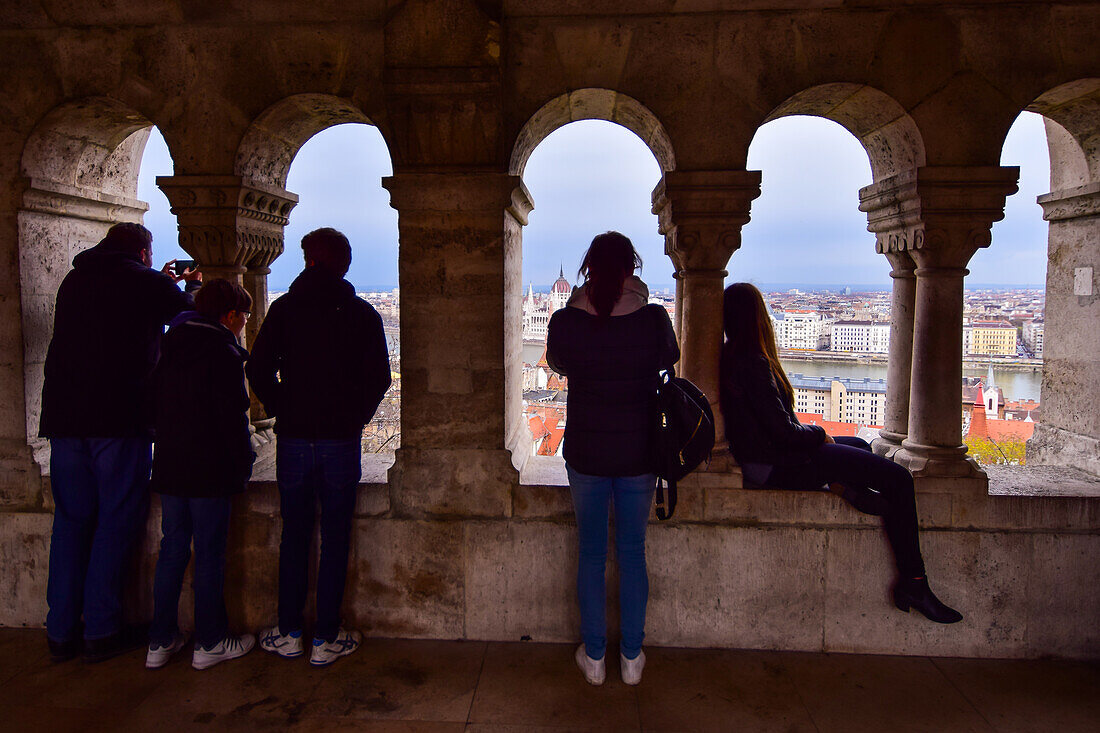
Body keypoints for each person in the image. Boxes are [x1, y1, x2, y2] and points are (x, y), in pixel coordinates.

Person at [719, 282, 961, 624]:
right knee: (899, 478)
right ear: (757, 318)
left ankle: (845, 488)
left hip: (769, 459)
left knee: (861, 446)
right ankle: (914, 582)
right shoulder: (753, 362)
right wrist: (821, 434)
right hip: (776, 464)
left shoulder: (732, 356)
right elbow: (783, 432)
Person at [40, 222, 202, 663]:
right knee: (115, 520)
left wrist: (158, 283)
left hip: (64, 420)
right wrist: (188, 286)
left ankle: (60, 632)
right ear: (145, 252)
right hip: (118, 418)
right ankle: (101, 630)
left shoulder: (75, 279)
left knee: (71, 524)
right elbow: (191, 318)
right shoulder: (143, 281)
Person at [247, 227, 391, 667]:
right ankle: (325, 637)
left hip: (292, 438)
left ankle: (289, 631)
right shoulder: (361, 314)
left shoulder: (285, 310)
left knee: (294, 534)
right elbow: (379, 379)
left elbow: (257, 368)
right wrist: (354, 417)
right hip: (339, 440)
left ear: (308, 260)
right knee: (335, 537)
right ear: (345, 265)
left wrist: (283, 407)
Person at [546, 231, 679, 687]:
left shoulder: (568, 321)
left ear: (588, 271)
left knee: (590, 554)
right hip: (639, 453)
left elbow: (558, 362)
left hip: (586, 452)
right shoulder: (653, 319)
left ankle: (596, 657)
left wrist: (583, 302)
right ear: (631, 270)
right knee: (632, 554)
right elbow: (669, 357)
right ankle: (632, 657)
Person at [145, 279, 257, 671]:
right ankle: (210, 642)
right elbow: (232, 419)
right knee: (209, 556)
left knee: (172, 551)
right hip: (210, 469)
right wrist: (244, 463)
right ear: (230, 316)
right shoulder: (222, 352)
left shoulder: (169, 344)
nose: (246, 322)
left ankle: (159, 641)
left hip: (172, 466)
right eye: (244, 315)